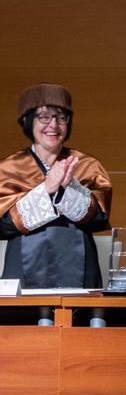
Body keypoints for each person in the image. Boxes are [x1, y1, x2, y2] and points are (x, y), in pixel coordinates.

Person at [0, 83, 112, 288]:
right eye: (44, 116)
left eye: (61, 117)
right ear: (27, 121)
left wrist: (69, 189)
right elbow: (2, 225)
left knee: (78, 317)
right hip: (22, 267)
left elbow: (99, 220)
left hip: (80, 264)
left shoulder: (86, 164)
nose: (53, 125)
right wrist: (46, 189)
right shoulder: (8, 168)